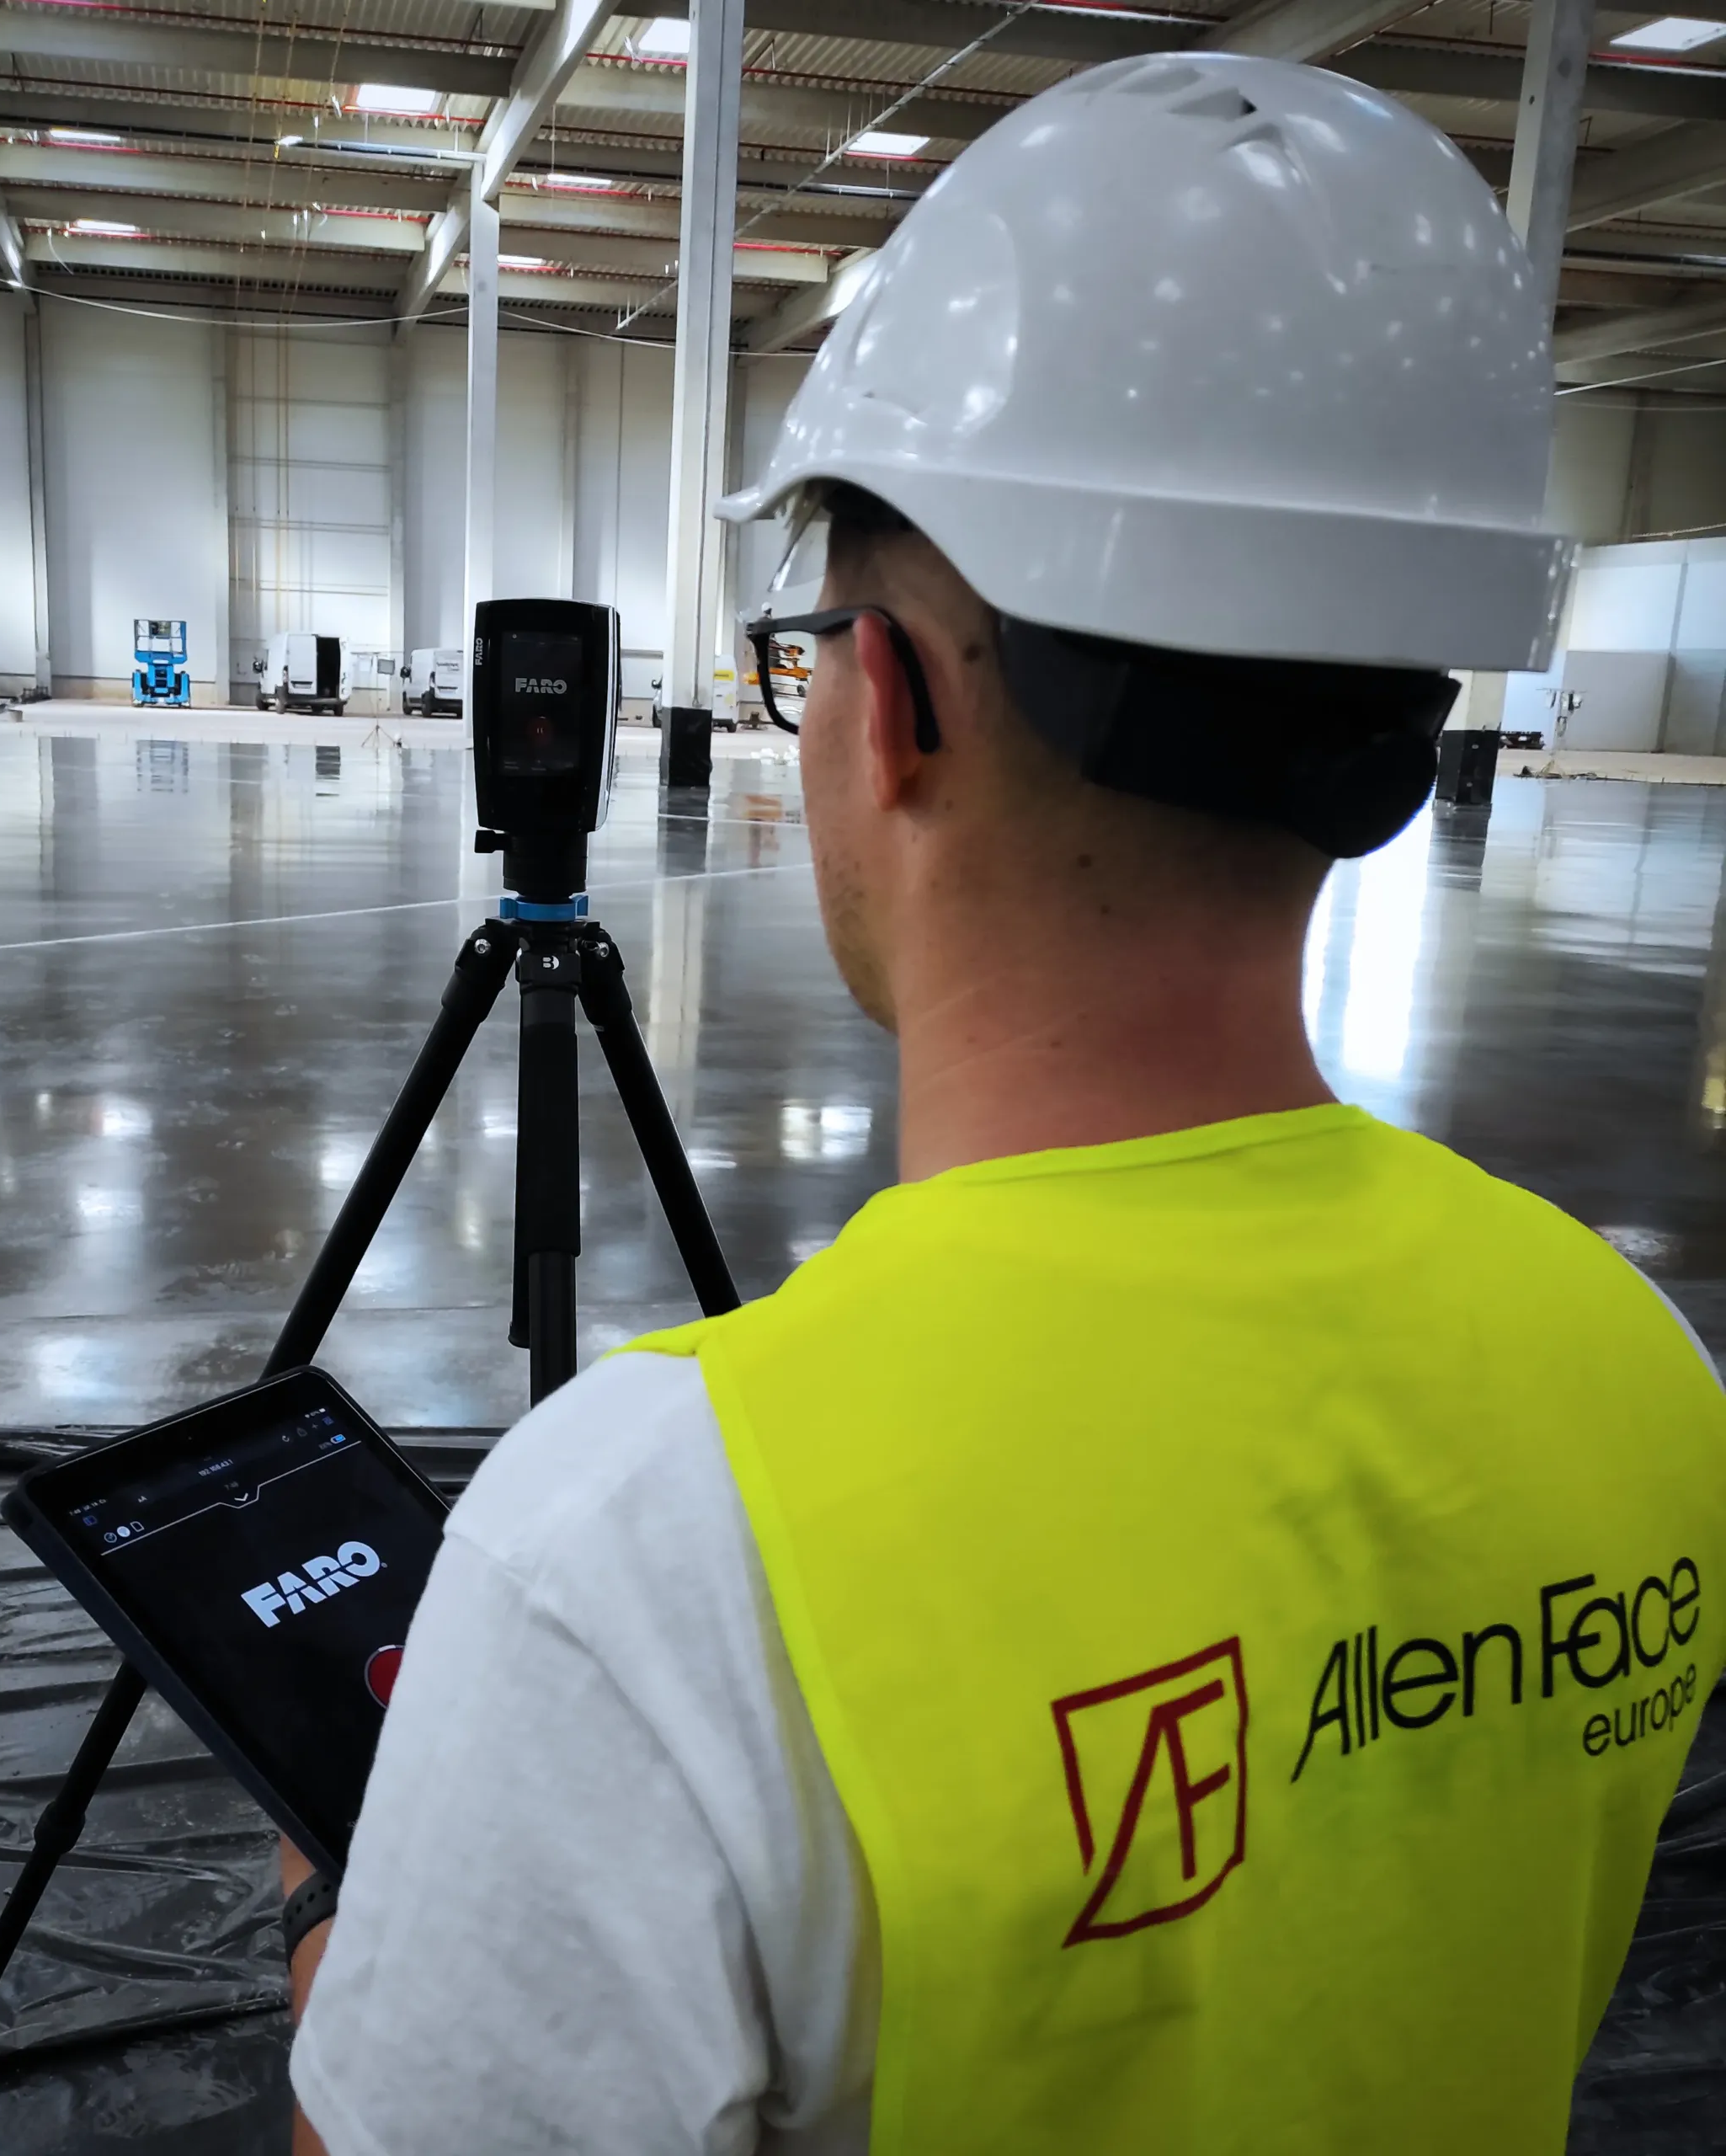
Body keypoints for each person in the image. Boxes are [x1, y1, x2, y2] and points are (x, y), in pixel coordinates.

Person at [283, 56, 1726, 2155]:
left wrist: (364, 1965)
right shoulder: (1633, 1364)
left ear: (890, 704)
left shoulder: (649, 1553)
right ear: (1399, 721)